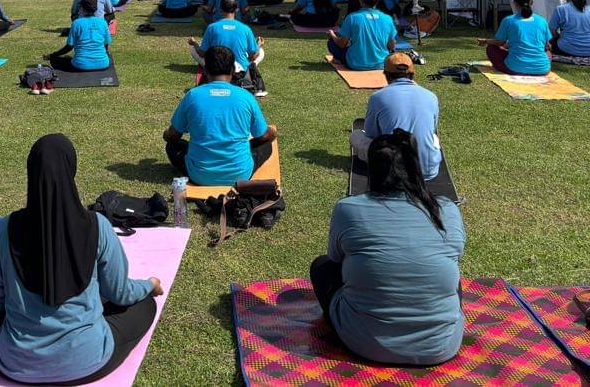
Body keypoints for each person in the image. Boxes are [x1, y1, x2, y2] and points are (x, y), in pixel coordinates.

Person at [0, 134, 161, 384]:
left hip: (14, 362)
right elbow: (120, 292)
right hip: (88, 361)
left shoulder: (4, 230)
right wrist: (149, 284)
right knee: (145, 304)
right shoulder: (97, 226)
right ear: (71, 170)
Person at [310, 130, 465, 367]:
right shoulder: (446, 210)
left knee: (322, 267)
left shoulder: (349, 208)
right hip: (440, 346)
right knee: (453, 278)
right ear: (416, 167)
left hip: (365, 342)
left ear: (372, 169)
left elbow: (335, 259)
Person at [165, 45, 276, 183]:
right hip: (240, 174)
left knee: (172, 146)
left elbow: (173, 135)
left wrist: (167, 134)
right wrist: (271, 133)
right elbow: (265, 135)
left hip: (199, 174)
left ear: (205, 70)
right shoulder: (245, 96)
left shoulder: (193, 95)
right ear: (233, 70)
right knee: (266, 145)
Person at [350, 54, 441, 181]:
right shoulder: (431, 96)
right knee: (434, 138)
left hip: (392, 171)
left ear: (386, 74)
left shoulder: (378, 97)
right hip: (428, 170)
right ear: (412, 73)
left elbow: (371, 135)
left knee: (356, 135)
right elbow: (432, 130)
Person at [189, 0, 266, 94]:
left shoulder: (212, 27)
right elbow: (253, 56)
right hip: (240, 70)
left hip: (217, 67)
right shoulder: (245, 28)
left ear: (220, 9)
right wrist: (258, 46)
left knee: (193, 48)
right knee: (260, 51)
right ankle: (250, 68)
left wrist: (195, 44)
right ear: (237, 9)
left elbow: (202, 53)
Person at [480, 0, 552, 75]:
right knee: (548, 53)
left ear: (514, 3)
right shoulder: (542, 20)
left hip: (516, 68)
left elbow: (499, 42)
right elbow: (547, 46)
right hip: (542, 69)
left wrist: (487, 41)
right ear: (532, 1)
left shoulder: (509, 20)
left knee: (491, 48)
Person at [328, 0, 398, 71]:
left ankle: (339, 59)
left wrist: (332, 35)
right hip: (381, 64)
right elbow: (391, 45)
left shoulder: (352, 17)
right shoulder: (387, 18)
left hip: (356, 63)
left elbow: (342, 44)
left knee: (331, 42)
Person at [49, 0, 112, 72]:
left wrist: (54, 54)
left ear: (82, 8)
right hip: (103, 64)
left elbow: (69, 46)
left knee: (54, 60)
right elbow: (106, 44)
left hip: (80, 65)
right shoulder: (103, 22)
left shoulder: (77, 23)